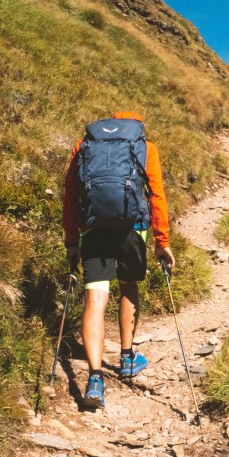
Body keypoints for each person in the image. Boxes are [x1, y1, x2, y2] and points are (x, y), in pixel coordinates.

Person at [62, 111, 175, 408]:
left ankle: (95, 379)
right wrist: (163, 242)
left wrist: (71, 239)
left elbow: (70, 194)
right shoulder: (146, 147)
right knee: (129, 287)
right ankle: (127, 358)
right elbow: (157, 196)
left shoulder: (84, 145)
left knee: (95, 300)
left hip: (94, 229)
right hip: (132, 229)